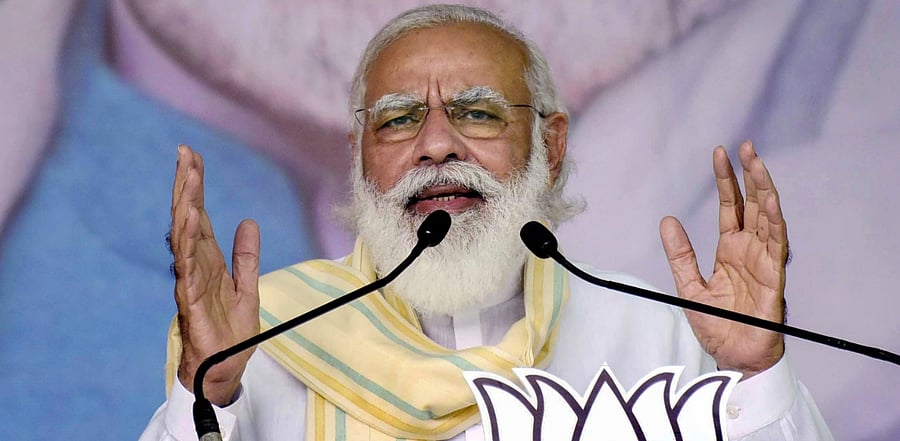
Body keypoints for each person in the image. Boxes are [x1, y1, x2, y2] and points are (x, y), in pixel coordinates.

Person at [141, 5, 833, 440]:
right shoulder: (274, 339)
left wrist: (753, 372)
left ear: (551, 147)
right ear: (358, 157)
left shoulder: (655, 334)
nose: (436, 144)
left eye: (476, 112)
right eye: (399, 119)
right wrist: (210, 391)